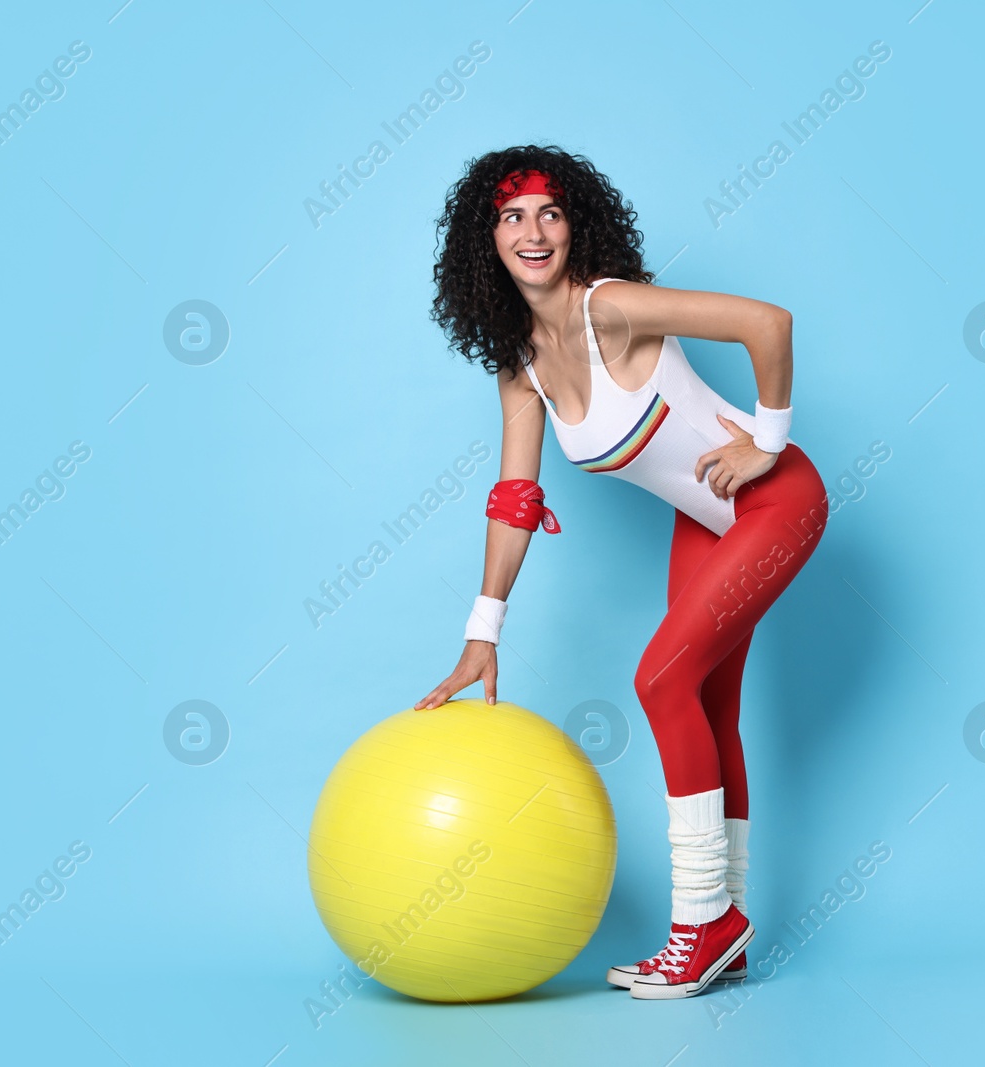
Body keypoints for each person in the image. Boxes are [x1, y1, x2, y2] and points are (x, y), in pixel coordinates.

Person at [416, 145, 828, 1000]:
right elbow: (516, 494)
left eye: (550, 212)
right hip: (706, 522)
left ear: (577, 225)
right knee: (707, 703)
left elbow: (770, 323)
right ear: (483, 239)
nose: (533, 232)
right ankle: (729, 933)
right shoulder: (520, 360)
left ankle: (699, 924)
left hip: (775, 504)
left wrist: (768, 442)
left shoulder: (612, 308)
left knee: (661, 679)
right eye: (510, 215)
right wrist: (482, 632)